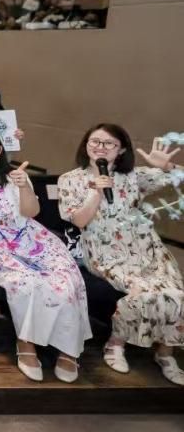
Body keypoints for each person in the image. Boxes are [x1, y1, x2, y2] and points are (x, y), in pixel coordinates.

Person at [0, 127, 90, 382]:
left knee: (66, 282)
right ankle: (26, 342)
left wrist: (24, 187)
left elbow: (31, 213)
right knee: (25, 285)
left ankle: (68, 349)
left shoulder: (15, 177)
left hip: (33, 240)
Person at [58, 125, 183, 384]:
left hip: (146, 249)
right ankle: (116, 343)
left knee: (176, 294)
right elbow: (79, 221)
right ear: (86, 144)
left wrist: (166, 166)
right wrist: (96, 192)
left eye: (109, 143)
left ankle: (165, 353)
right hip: (105, 253)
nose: (100, 147)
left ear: (122, 149)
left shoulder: (134, 176)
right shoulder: (70, 179)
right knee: (143, 293)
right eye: (95, 141)